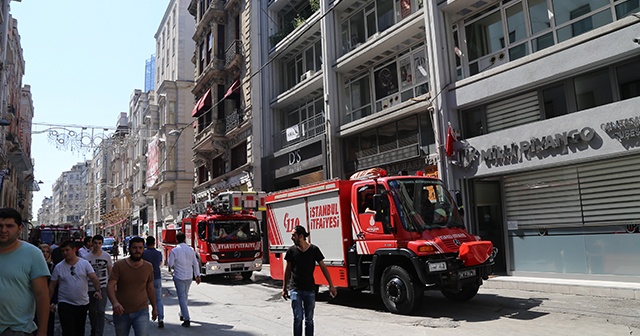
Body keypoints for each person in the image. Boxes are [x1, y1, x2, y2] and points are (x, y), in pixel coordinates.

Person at [0, 208, 50, 336]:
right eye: (0, 226)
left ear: (19, 228)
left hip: (17, 330)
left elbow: (42, 296)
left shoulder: (33, 254)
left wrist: (42, 332)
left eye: (9, 226)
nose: (3, 230)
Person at [282, 225, 337, 336]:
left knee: (309, 320)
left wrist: (331, 285)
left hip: (310, 289)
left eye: (294, 235)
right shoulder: (291, 251)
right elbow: (287, 271)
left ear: (301, 236)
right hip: (295, 288)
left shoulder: (314, 250)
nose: (292, 237)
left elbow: (323, 267)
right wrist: (284, 288)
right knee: (298, 318)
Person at [49, 240, 102, 336]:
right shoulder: (58, 267)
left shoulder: (84, 264)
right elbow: (52, 286)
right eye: (63, 251)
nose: (65, 253)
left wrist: (98, 290)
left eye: (67, 250)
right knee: (68, 331)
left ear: (74, 250)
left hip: (82, 303)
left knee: (79, 330)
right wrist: (49, 302)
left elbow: (94, 278)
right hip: (65, 303)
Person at [107, 237, 157, 336]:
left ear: (143, 249)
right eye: (134, 248)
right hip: (121, 312)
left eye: (140, 248)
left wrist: (155, 307)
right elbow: (110, 285)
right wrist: (115, 302)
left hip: (141, 311)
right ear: (129, 248)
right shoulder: (119, 265)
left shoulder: (148, 267)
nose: (137, 250)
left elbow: (150, 287)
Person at [167, 233, 201, 327]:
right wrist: (197, 275)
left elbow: (170, 264)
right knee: (184, 296)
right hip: (189, 276)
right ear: (185, 239)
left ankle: (186, 318)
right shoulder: (191, 250)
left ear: (176, 240)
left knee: (182, 297)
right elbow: (195, 263)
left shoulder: (175, 250)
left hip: (179, 276)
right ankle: (182, 313)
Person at [84, 235, 113, 336]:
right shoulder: (86, 257)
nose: (97, 245)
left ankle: (98, 333)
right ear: (92, 243)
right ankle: (94, 329)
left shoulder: (106, 256)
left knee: (100, 311)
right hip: (89, 288)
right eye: (95, 243)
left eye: (99, 243)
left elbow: (110, 271)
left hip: (103, 287)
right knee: (92, 311)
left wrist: (112, 285)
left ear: (102, 244)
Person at [141, 236, 164, 328]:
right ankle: (161, 318)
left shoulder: (144, 253)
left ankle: (145, 319)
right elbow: (160, 263)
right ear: (154, 243)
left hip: (146, 278)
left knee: (145, 300)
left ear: (146, 243)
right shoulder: (158, 253)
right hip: (157, 277)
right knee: (158, 299)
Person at [38, 244, 56, 336]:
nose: (45, 254)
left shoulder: (52, 267)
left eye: (47, 252)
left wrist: (53, 302)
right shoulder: (34, 265)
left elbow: (55, 286)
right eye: (42, 251)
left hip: (49, 300)